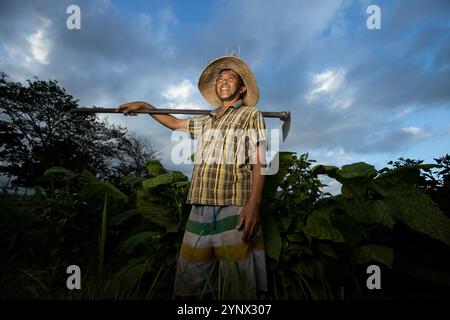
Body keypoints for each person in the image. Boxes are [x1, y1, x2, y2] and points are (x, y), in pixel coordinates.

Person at [116, 55, 268, 299]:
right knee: (189, 279)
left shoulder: (250, 114)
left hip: (234, 204)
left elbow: (260, 158)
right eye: (220, 78)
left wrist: (253, 205)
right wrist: (145, 106)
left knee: (236, 285)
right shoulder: (205, 121)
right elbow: (175, 123)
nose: (223, 80)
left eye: (230, 78)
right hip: (200, 204)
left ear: (241, 88)